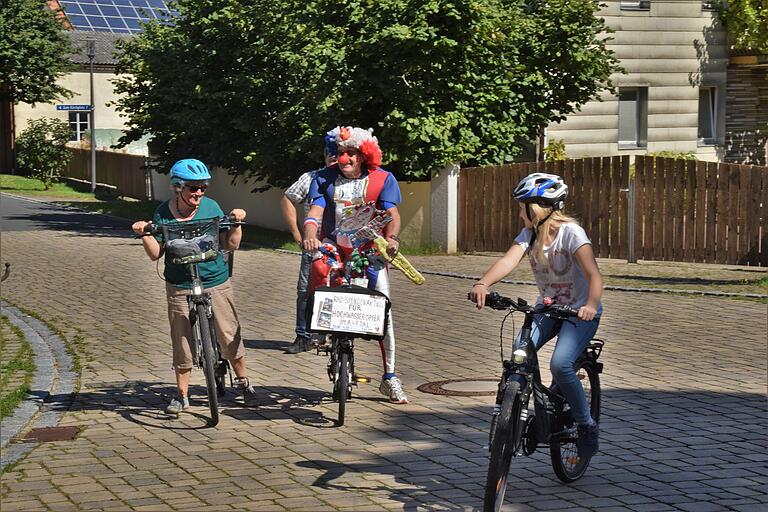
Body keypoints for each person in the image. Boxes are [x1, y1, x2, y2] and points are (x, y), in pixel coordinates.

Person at [468, 172, 603, 460]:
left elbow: (594, 275)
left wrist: (590, 304)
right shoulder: (529, 235)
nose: (519, 213)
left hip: (579, 310)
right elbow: (509, 259)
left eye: (522, 207)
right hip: (549, 307)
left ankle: (585, 424)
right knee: (520, 353)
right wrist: (483, 283)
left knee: (561, 364)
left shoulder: (571, 234)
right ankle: (516, 403)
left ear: (538, 208)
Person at [131, 158, 256, 415]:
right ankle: (181, 394)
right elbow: (156, 254)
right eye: (192, 188)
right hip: (179, 281)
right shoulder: (163, 213)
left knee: (228, 332)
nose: (198, 193)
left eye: (202, 188)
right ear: (179, 187)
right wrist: (144, 233)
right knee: (182, 338)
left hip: (214, 278)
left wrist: (236, 223)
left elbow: (229, 244)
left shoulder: (211, 208)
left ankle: (244, 383)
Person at [302, 126, 408, 404]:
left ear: (364, 155)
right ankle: (318, 329)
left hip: (369, 250)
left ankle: (390, 377)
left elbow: (392, 215)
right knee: (318, 268)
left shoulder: (383, 178)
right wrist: (310, 236)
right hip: (334, 245)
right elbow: (315, 213)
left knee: (384, 309)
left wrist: (392, 238)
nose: (344, 159)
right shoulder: (323, 178)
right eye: (340, 153)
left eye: (351, 154)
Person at [280, 133, 337, 354]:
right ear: (325, 157)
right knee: (306, 290)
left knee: (340, 290)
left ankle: (335, 335)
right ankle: (303, 335)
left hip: (343, 245)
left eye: (339, 156)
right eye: (331, 156)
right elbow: (288, 198)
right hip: (315, 245)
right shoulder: (313, 177)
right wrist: (297, 233)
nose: (335, 161)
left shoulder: (353, 180)